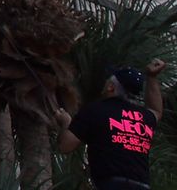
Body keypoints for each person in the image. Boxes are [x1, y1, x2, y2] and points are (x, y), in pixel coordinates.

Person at [56, 57, 168, 190]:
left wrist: (66, 122)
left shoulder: (95, 110)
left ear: (111, 87)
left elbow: (65, 146)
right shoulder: (143, 117)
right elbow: (156, 111)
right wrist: (152, 77)